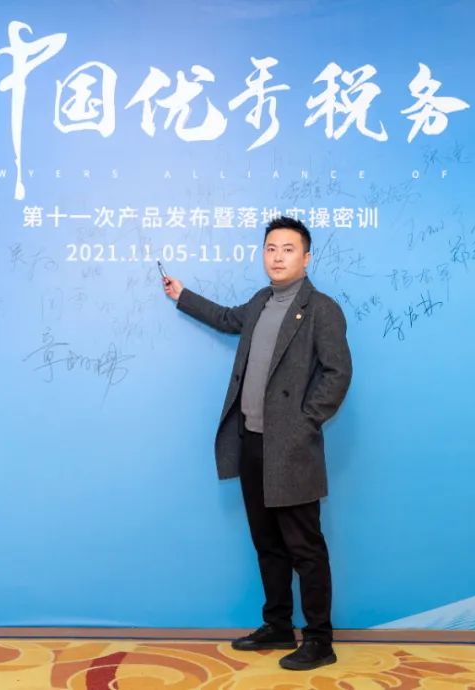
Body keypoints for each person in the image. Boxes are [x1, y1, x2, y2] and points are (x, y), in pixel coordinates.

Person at [162, 216, 352, 671]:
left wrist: (305, 423)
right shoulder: (260, 301)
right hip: (251, 442)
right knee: (267, 543)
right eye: (271, 248)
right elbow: (227, 319)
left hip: (292, 447)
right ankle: (278, 625)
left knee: (305, 548)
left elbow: (338, 373)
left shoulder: (321, 309)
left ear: (306, 258)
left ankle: (320, 639)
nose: (277, 257)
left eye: (288, 249)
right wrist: (182, 295)